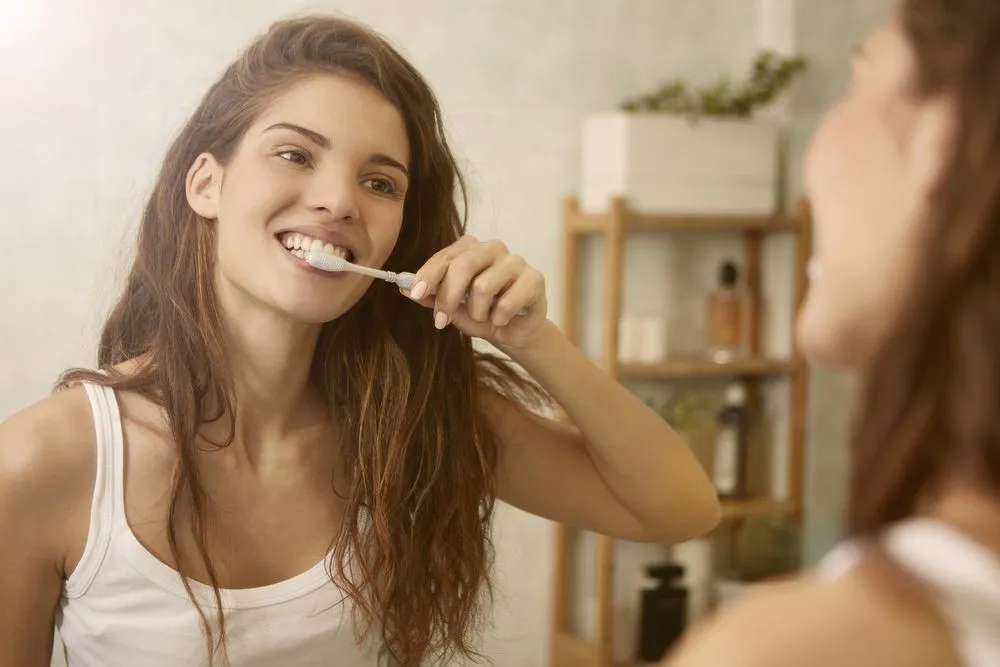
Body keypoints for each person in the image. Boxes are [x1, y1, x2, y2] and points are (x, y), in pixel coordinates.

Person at [0, 14, 721, 667]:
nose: (340, 200)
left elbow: (680, 509)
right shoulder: (46, 461)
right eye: (294, 154)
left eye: (380, 182)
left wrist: (536, 342)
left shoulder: (415, 419)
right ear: (206, 184)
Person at [662, 1, 1000, 666]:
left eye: (856, 81)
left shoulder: (800, 650)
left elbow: (673, 503)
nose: (811, 157)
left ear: (944, 139)